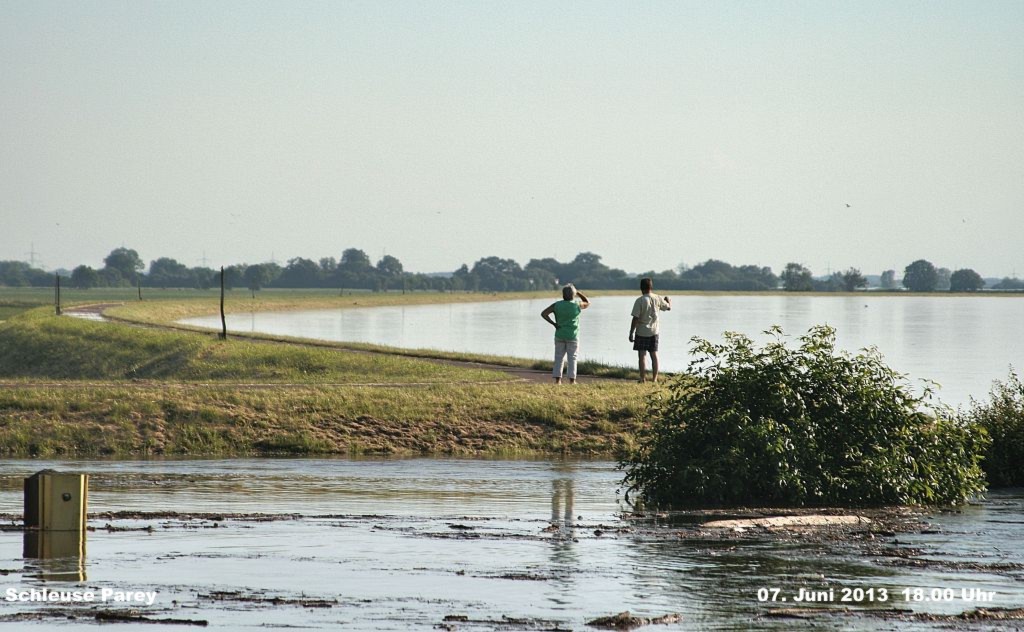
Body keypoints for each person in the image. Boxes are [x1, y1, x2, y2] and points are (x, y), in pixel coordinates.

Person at [540, 284, 590, 384]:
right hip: (573, 335)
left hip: (559, 334)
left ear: (563, 294)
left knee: (559, 358)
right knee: (572, 358)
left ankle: (558, 380)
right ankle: (572, 380)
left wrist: (553, 323)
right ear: (573, 294)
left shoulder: (557, 305)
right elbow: (588, 303)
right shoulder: (577, 305)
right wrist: (579, 292)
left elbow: (544, 313)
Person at [628, 277, 671, 383]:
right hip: (654, 331)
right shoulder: (658, 298)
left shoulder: (640, 300)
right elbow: (668, 307)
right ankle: (655, 379)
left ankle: (642, 378)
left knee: (642, 356)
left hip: (641, 331)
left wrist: (631, 332)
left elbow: (635, 318)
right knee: (654, 355)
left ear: (641, 288)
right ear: (651, 287)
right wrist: (668, 300)